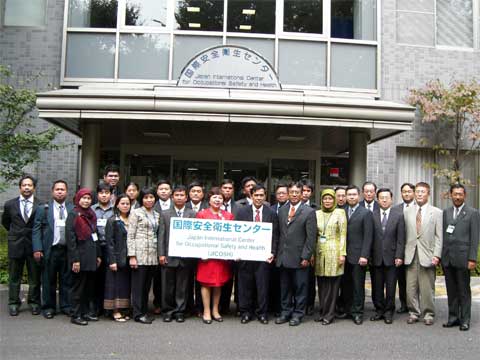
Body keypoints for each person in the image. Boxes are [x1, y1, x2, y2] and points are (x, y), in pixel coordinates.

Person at [275, 181, 317, 326]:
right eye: (291, 192)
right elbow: (278, 234)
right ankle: (285, 312)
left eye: (297, 192)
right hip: (283, 257)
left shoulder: (309, 212)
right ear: (288, 193)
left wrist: (306, 256)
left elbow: (311, 238)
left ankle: (298, 314)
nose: (294, 195)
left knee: (300, 287)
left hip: (300, 258)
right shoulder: (282, 210)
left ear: (301, 194)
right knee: (284, 287)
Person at [236, 184, 279, 325]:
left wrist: (272, 252)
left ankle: (262, 313)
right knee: (245, 285)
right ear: (251, 195)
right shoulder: (242, 212)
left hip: (263, 257)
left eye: (261, 195)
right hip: (246, 256)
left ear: (265, 196)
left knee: (262, 286)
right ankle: (246, 312)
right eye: (256, 195)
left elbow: (275, 235)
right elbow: (236, 234)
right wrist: (236, 251)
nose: (259, 198)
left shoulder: (271, 213)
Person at [32, 180, 73, 319]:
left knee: (66, 280)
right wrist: (37, 248)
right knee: (48, 280)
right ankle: (49, 307)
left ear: (67, 192)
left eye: (62, 189)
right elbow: (36, 230)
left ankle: (66, 306)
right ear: (52, 191)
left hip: (66, 250)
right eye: (57, 189)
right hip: (50, 249)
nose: (60, 191)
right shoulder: (43, 208)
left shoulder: (72, 209)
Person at [2, 175, 42, 316]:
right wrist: (15, 234)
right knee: (14, 276)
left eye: (29, 185)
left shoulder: (40, 205)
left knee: (34, 277)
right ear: (20, 187)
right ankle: (13, 303)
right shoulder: (9, 204)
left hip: (33, 245)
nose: (26, 187)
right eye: (24, 185)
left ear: (34, 188)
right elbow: (6, 222)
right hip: (16, 244)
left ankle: (34, 302)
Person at [404, 182, 442, 326]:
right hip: (410, 254)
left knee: (427, 287)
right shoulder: (407, 211)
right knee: (410, 287)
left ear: (428, 194)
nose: (419, 194)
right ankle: (413, 312)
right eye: (417, 192)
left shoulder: (437, 212)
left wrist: (437, 255)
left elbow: (439, 237)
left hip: (428, 255)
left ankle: (428, 314)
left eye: (423, 192)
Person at [442, 184, 479, 331]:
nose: (457, 197)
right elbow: (444, 235)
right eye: (455, 194)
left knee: (463, 291)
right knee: (451, 290)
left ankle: (465, 320)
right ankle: (453, 317)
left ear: (465, 196)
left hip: (463, 258)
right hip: (448, 258)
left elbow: (475, 238)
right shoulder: (446, 212)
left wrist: (472, 259)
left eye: (460, 194)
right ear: (450, 195)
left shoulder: (472, 213)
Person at [196, 187, 234, 324]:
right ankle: (206, 310)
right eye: (215, 197)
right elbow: (196, 236)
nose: (217, 200)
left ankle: (215, 310)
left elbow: (233, 237)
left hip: (221, 257)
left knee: (218, 283)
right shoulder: (201, 214)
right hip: (206, 257)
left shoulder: (228, 216)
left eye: (220, 198)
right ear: (209, 199)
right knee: (206, 283)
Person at [159, 185, 196, 323]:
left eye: (182, 195)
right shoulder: (165, 214)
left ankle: (180, 311)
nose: (179, 197)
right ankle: (168, 311)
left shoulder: (192, 214)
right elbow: (161, 235)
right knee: (168, 286)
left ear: (186, 198)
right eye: (177, 195)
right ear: (172, 197)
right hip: (169, 255)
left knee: (182, 286)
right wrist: (161, 254)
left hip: (186, 256)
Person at [127, 187, 164, 324]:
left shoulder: (157, 214)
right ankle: (138, 314)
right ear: (141, 199)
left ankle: (144, 311)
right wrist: (132, 255)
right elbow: (130, 235)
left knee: (146, 287)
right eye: (146, 197)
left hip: (152, 255)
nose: (149, 200)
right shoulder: (136, 213)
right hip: (139, 254)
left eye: (151, 197)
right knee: (138, 287)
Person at [66, 188, 101, 326]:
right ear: (78, 199)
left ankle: (85, 312)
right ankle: (75, 314)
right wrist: (75, 260)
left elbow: (95, 235)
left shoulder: (91, 214)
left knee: (88, 287)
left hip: (91, 256)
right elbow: (71, 240)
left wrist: (98, 255)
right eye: (83, 198)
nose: (86, 201)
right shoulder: (73, 214)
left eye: (89, 198)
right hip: (79, 257)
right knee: (78, 287)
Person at [370, 188, 405, 324]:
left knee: (390, 287)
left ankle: (389, 311)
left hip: (392, 258)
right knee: (377, 286)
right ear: (377, 200)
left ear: (391, 199)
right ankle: (379, 310)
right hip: (376, 257)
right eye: (381, 198)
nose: (384, 200)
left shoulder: (398, 215)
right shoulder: (372, 215)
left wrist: (399, 256)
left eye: (387, 197)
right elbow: (370, 237)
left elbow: (401, 238)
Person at [314, 189, 347, 325]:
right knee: (321, 283)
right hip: (320, 251)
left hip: (335, 252)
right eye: (325, 199)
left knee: (333, 285)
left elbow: (343, 234)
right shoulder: (316, 213)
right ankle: (322, 312)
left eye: (330, 199)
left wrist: (342, 254)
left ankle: (330, 314)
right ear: (321, 200)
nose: (327, 201)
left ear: (334, 200)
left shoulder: (340, 212)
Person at [343, 185, 373, 325]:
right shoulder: (341, 211)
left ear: (359, 196)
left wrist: (364, 255)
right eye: (349, 195)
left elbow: (368, 236)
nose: (351, 197)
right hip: (343, 255)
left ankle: (357, 312)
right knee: (346, 284)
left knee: (357, 286)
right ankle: (348, 310)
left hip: (358, 255)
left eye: (354, 194)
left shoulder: (365, 213)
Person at [104, 194, 132, 322]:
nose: (125, 206)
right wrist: (112, 260)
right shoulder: (112, 220)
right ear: (117, 205)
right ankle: (114, 311)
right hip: (116, 258)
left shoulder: (132, 219)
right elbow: (109, 242)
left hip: (128, 258)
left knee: (124, 285)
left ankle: (123, 309)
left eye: (127, 204)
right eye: (123, 203)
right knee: (114, 285)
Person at [92, 182, 114, 316]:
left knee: (110, 279)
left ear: (111, 195)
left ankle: (108, 308)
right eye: (101, 193)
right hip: (96, 247)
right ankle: (95, 307)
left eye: (107, 193)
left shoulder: (115, 210)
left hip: (111, 247)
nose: (104, 195)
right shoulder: (92, 209)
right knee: (96, 278)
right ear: (97, 194)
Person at [394, 182, 416, 314]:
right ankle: (404, 304)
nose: (406, 194)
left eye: (409, 191)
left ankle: (414, 304)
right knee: (401, 279)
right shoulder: (396, 209)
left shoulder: (419, 208)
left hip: (414, 249)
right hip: (399, 249)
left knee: (414, 280)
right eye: (404, 191)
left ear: (413, 193)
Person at [152, 179, 173, 314]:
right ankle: (158, 303)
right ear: (157, 191)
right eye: (161, 189)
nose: (164, 191)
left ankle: (173, 303)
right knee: (158, 278)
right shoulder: (152, 205)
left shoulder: (177, 204)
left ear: (171, 191)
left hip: (175, 246)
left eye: (166, 189)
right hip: (157, 246)